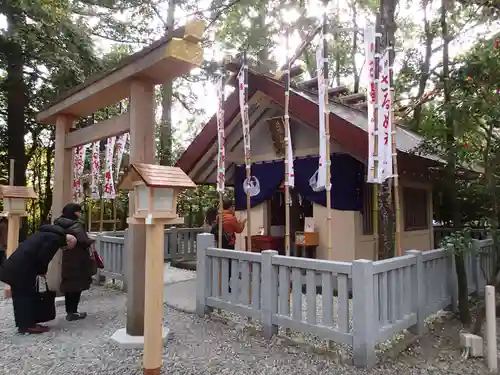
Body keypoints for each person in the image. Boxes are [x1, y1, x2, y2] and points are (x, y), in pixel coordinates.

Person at [0, 225, 77, 334]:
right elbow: (43, 257)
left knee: (19, 297)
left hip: (14, 266)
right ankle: (28, 326)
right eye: (65, 248)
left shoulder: (45, 233)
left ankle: (24, 324)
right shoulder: (55, 239)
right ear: (68, 242)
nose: (63, 249)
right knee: (25, 297)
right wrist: (42, 271)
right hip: (23, 270)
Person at [54, 203, 95, 321]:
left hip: (66, 257)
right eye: (78, 211)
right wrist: (90, 240)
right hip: (78, 258)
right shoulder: (75, 225)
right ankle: (73, 312)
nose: (80, 213)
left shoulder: (59, 223)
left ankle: (69, 311)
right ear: (74, 212)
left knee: (69, 285)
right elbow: (82, 240)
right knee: (77, 285)